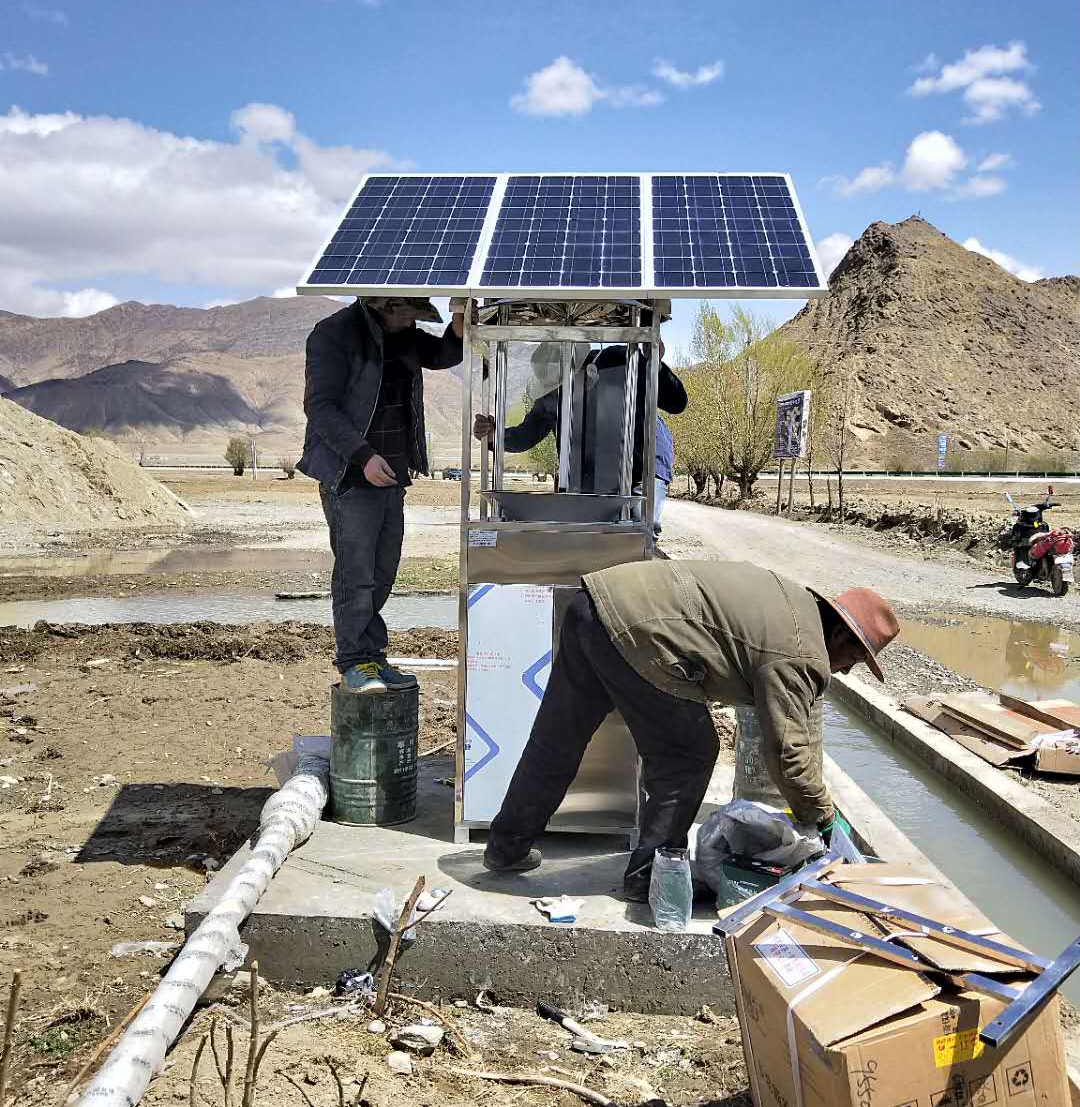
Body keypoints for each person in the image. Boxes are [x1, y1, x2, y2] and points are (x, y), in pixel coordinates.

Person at [482, 560, 899, 900]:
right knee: (689, 755)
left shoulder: (794, 605)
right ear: (842, 632)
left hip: (594, 605)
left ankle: (506, 847)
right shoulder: (800, 651)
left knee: (557, 739)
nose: (843, 670)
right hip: (640, 631)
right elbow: (788, 754)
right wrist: (823, 818)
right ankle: (650, 877)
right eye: (854, 659)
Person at [298, 296, 467, 694]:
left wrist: (458, 324)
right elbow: (319, 407)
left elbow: (442, 354)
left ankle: (372, 656)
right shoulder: (334, 334)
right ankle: (355, 662)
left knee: (384, 571)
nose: (413, 322)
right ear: (383, 308)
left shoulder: (403, 333)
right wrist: (363, 457)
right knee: (356, 573)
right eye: (407, 314)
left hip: (392, 473)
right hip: (352, 474)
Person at [473, 338, 687, 495]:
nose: (560, 395)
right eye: (555, 390)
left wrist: (654, 364)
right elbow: (526, 434)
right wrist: (494, 436)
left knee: (640, 526)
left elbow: (676, 402)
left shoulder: (621, 362)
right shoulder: (552, 398)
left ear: (586, 371)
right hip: (592, 473)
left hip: (643, 465)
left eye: (563, 386)